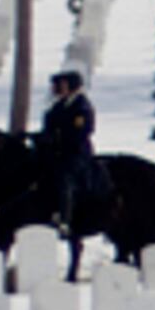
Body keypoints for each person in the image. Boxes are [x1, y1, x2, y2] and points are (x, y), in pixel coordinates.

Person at [40, 69, 101, 212]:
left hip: (75, 153)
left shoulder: (82, 107)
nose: (55, 89)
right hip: (56, 152)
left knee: (64, 177)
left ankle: (65, 217)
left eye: (60, 85)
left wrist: (58, 140)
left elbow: (82, 132)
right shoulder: (57, 106)